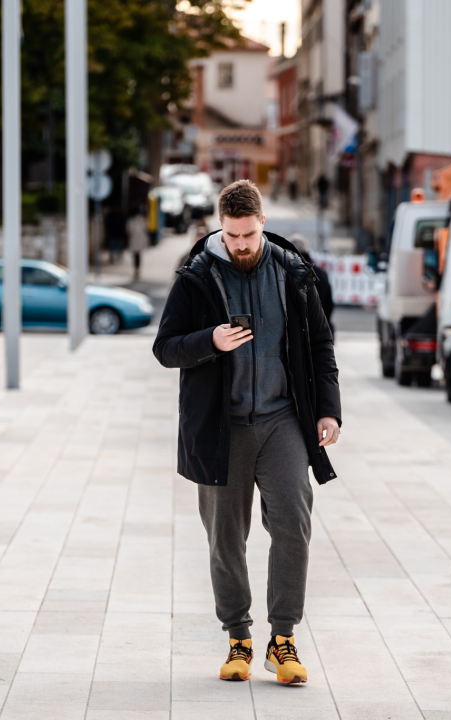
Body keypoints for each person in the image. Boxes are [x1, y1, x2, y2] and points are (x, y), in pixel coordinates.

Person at [152, 180, 341, 685]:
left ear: (262, 223)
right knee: (225, 539)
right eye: (232, 235)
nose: (241, 244)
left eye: (249, 235)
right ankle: (238, 636)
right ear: (221, 226)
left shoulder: (292, 273)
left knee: (293, 528)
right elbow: (165, 348)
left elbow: (321, 346)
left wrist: (329, 411)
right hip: (221, 429)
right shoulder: (195, 277)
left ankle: (284, 641)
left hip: (282, 422)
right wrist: (209, 340)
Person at [289, 234, 334, 332]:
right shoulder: (320, 273)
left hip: (294, 331)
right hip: (318, 328)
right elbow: (329, 303)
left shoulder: (285, 273)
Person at [126, 208, 149, 282]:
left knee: (136, 256)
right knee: (137, 256)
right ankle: (137, 270)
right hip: (138, 241)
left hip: (136, 241)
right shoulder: (141, 220)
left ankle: (136, 270)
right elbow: (145, 229)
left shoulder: (131, 221)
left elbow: (128, 230)